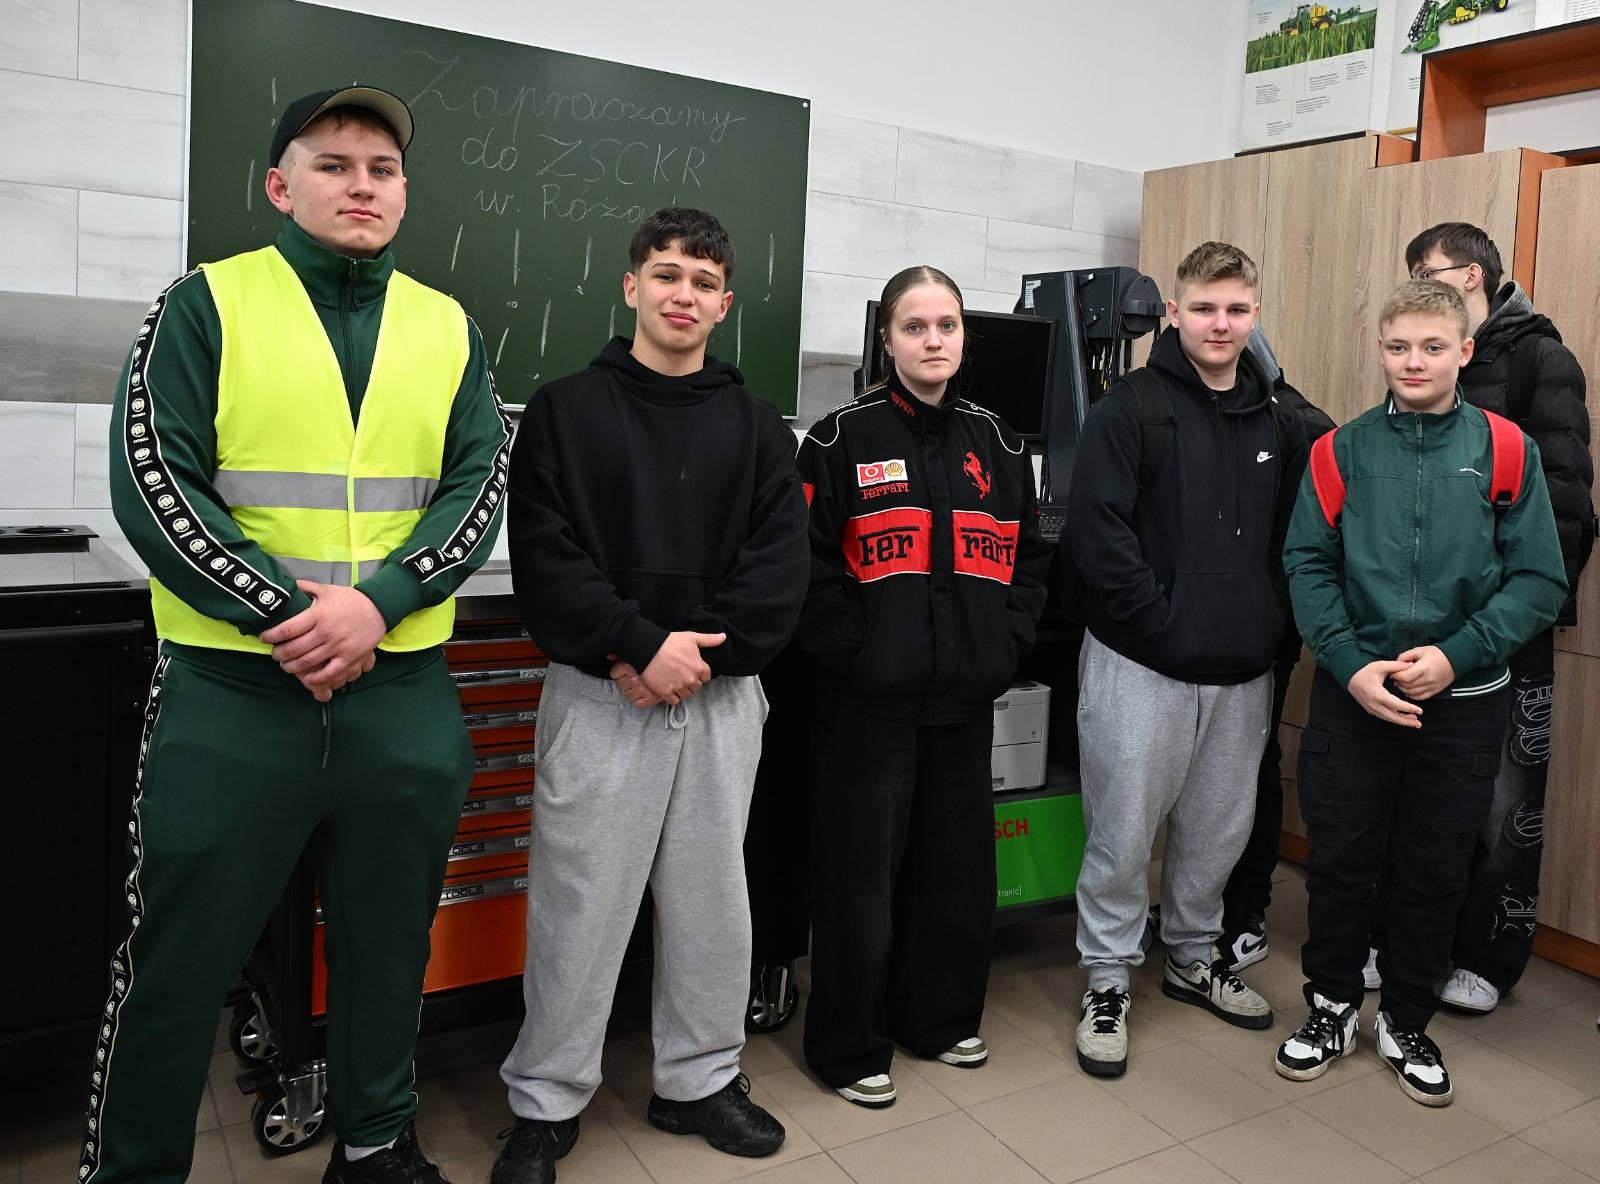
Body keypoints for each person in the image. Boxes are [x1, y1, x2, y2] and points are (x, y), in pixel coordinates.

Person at [83, 86, 511, 1183]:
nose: (362, 185)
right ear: (281, 186)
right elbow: (153, 478)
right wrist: (285, 610)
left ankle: (375, 1144)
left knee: (388, 942)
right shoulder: (205, 305)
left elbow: (478, 484)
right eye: (334, 164)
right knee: (177, 957)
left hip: (399, 691)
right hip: (235, 690)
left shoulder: (449, 326)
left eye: (382, 169)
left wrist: (379, 602)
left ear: (404, 193)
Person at [495, 208, 808, 1184]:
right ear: (632, 286)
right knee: (579, 905)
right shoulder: (562, 411)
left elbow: (776, 571)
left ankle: (699, 1080)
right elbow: (546, 557)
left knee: (713, 902)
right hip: (600, 696)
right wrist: (635, 644)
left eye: (703, 281)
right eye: (666, 274)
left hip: (718, 697)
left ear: (725, 304)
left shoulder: (760, 428)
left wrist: (686, 657)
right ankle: (546, 1099)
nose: (683, 294)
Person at [1277, 280, 1565, 1106]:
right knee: (1340, 862)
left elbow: (1539, 579)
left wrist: (1456, 655)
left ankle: (1405, 1019)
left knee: (1434, 869)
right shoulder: (1339, 451)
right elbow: (1306, 563)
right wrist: (1347, 663)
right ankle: (1333, 1006)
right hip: (1355, 696)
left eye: (1433, 347)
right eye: (1399, 346)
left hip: (1463, 703)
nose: (1414, 362)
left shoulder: (1507, 450)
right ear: (1380, 350)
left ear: (1464, 352)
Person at [795, 266, 1051, 1107]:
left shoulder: (1001, 445)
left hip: (965, 699)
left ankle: (937, 1020)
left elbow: (1031, 562)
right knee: (860, 883)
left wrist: (1004, 647)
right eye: (915, 326)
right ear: (887, 339)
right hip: (869, 704)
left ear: (964, 338)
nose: (933, 340)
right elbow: (806, 569)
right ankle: (849, 1047)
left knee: (954, 872)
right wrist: (857, 653)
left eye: (947, 325)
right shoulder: (837, 439)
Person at [1066, 241, 1306, 1078]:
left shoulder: (1277, 419)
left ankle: (1193, 957)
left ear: (1255, 315)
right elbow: (1098, 535)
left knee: (1217, 831)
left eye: (1236, 309)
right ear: (1174, 312)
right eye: (1203, 308)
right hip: (1142, 664)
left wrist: (1265, 619)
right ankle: (1106, 977)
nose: (1220, 324)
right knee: (1123, 832)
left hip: (1240, 670)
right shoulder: (1129, 408)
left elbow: (1290, 542)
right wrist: (1161, 622)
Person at [1400, 223, 1593, 1013]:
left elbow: (1567, 506)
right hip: (1425, 622)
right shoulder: (1435, 357)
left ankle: (1489, 957)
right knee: (1422, 789)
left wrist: (1518, 610)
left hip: (1511, 626)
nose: (1420, 286)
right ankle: (1412, 942)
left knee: (1507, 802)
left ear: (1473, 275)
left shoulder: (1541, 358)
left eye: (1430, 272)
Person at [1217, 327, 1336, 971]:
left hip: (1264, 633)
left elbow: (1304, 554)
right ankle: (1206, 905)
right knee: (1216, 773)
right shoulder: (1230, 416)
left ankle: (1245, 916)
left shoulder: (1299, 426)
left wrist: (1264, 630)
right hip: (1218, 627)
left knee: (1250, 766)